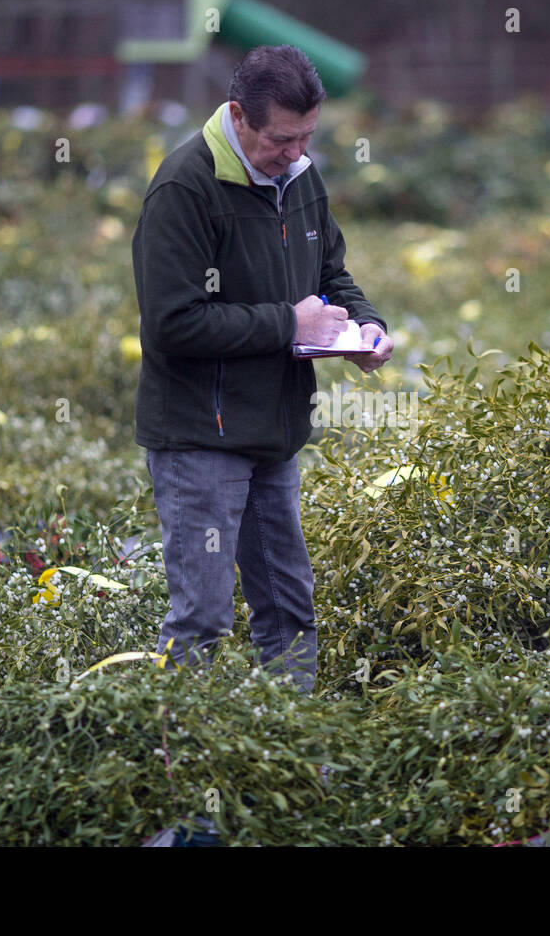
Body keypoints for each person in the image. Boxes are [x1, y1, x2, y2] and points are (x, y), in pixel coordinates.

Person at [132, 44, 394, 695]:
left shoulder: (301, 177)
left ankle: (289, 752)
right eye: (282, 138)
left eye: (307, 137)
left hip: (274, 434)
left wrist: (365, 326)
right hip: (202, 438)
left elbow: (331, 272)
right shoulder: (184, 188)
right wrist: (289, 324)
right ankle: (177, 762)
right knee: (202, 621)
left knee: (288, 609)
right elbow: (173, 324)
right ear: (238, 117)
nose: (296, 151)